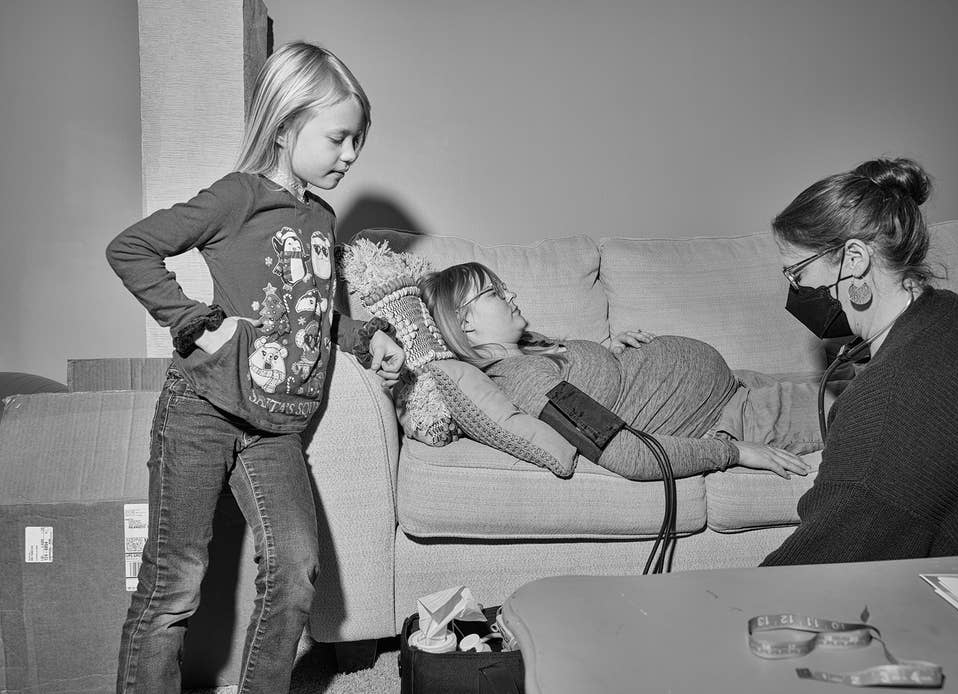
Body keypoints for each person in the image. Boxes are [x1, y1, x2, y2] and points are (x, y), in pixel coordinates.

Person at [106, 42, 404, 692]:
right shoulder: (238, 198)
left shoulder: (321, 220)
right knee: (174, 584)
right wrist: (196, 322)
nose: (350, 155)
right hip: (203, 411)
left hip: (273, 429)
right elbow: (130, 249)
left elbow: (314, 314)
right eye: (339, 138)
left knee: (296, 569)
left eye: (359, 141)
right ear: (285, 124)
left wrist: (368, 335)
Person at [761, 157, 958, 566]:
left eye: (797, 273)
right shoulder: (956, 314)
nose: (797, 289)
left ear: (854, 259)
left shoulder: (891, 398)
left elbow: (819, 566)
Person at [420, 263, 834, 481]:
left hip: (737, 386)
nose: (511, 295)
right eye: (494, 293)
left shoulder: (528, 358)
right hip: (734, 419)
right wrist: (735, 452)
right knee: (876, 406)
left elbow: (588, 393)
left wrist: (606, 354)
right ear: (465, 323)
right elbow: (626, 453)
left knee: (861, 377)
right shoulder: (524, 382)